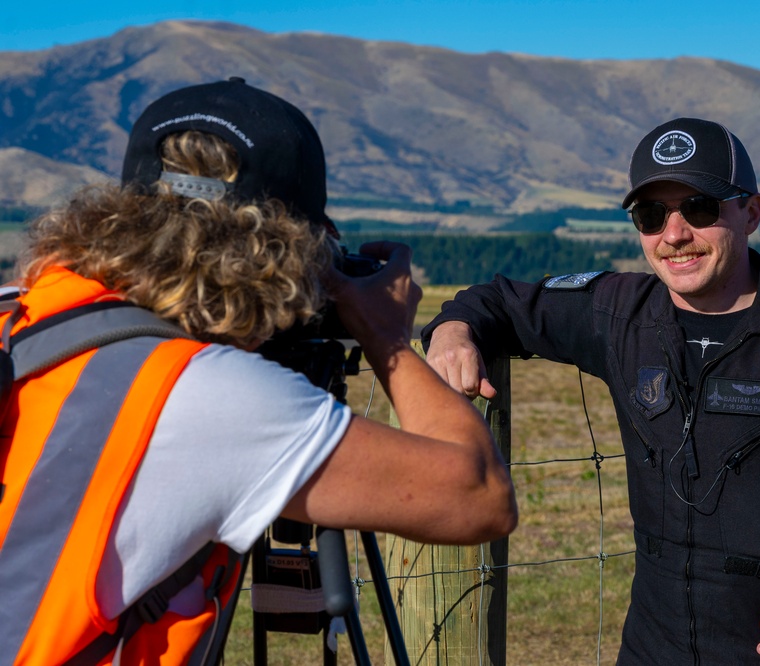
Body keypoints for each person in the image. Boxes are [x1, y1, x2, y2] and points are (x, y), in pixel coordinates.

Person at [422, 117, 760, 665]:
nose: (674, 234)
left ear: (752, 212)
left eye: (700, 208)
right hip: (650, 645)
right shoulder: (618, 314)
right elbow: (496, 299)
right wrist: (452, 331)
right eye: (650, 214)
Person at [0, 78, 517, 665]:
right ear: (288, 248)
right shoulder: (202, 393)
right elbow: (481, 497)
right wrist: (385, 335)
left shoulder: (21, 314)